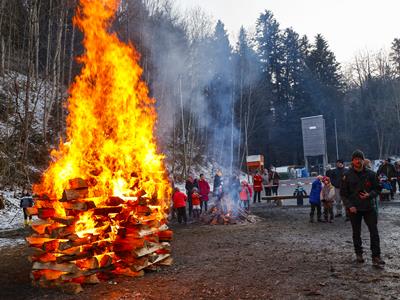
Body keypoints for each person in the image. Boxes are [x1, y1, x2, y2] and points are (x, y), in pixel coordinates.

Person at [341, 150, 385, 266]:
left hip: (369, 208)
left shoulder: (371, 174)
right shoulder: (347, 175)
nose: (357, 161)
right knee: (356, 233)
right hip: (354, 209)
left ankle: (376, 256)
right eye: (355, 159)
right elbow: (343, 194)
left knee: (374, 232)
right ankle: (359, 254)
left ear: (362, 160)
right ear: (352, 161)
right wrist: (350, 206)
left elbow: (378, 188)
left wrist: (370, 195)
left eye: (359, 159)